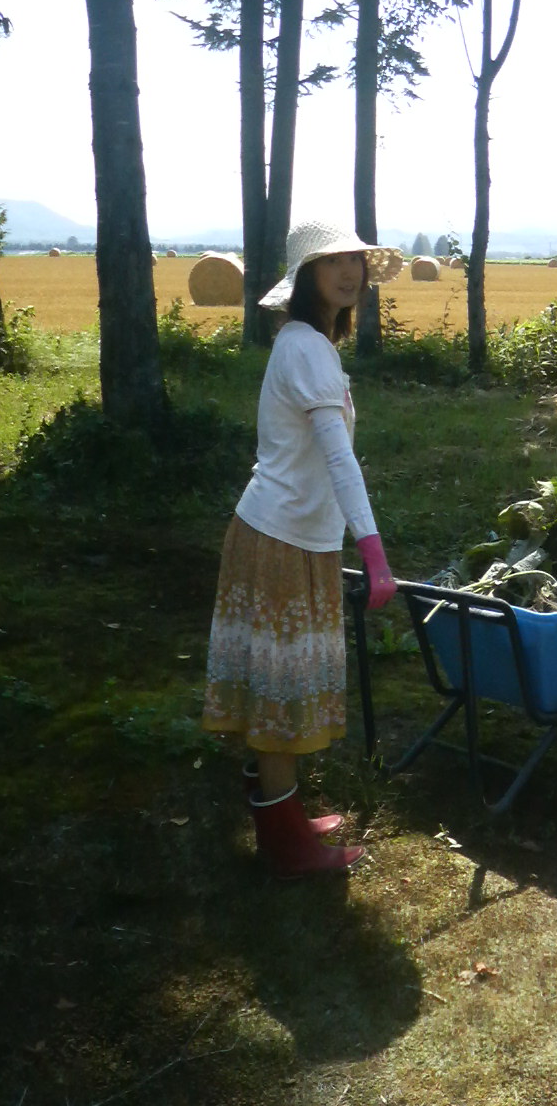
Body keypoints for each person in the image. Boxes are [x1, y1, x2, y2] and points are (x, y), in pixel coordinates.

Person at [202, 218, 403, 878]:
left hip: (286, 533)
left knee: (276, 685)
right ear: (305, 276)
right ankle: (287, 846)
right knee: (281, 690)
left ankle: (280, 816)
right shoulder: (308, 349)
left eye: (355, 260)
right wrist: (373, 550)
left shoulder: (305, 343)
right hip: (282, 538)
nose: (349, 271)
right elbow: (339, 459)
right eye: (331, 261)